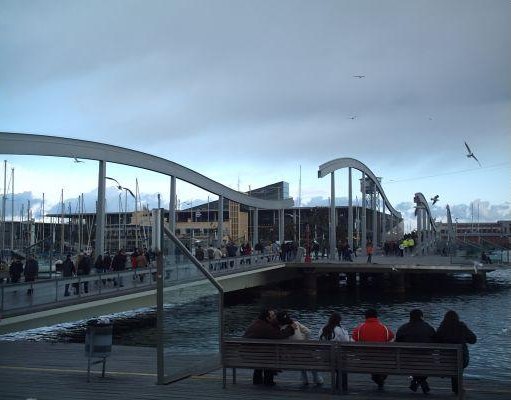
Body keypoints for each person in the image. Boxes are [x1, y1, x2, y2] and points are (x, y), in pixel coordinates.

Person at [244, 308, 295, 386]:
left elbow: (271, 329)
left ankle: (257, 380)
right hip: (253, 356)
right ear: (267, 318)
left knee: (264, 353)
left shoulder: (257, 323)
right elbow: (279, 335)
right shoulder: (265, 327)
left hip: (248, 353)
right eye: (273, 315)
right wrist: (291, 328)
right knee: (269, 354)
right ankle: (268, 381)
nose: (275, 316)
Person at [276, 310, 323, 387]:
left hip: (293, 356)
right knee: (309, 355)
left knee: (300, 355)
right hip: (305, 353)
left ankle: (304, 379)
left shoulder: (281, 331)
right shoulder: (296, 324)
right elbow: (308, 332)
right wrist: (305, 341)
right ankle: (316, 378)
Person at [435, 310, 477, 395]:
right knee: (457, 361)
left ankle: (456, 388)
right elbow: (473, 340)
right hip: (462, 361)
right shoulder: (462, 326)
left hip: (445, 361)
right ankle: (457, 389)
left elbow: (436, 341)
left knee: (452, 361)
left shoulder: (441, 328)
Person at [352, 308, 394, 390]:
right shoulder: (385, 328)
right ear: (377, 317)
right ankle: (379, 377)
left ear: (365, 317)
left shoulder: (359, 329)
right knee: (382, 359)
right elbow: (392, 341)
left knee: (372, 362)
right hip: (381, 359)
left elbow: (352, 342)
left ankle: (377, 377)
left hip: (364, 360)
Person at [396, 309, 436, 393]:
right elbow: (435, 342)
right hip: (427, 361)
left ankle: (417, 380)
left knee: (413, 360)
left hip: (407, 361)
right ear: (421, 317)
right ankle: (421, 380)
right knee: (423, 361)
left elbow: (397, 343)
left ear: (410, 317)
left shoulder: (403, 328)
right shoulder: (428, 328)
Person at [319, 312, 351, 391]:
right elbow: (346, 341)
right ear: (339, 321)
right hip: (337, 360)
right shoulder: (339, 330)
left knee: (339, 360)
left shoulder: (322, 329)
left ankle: (338, 386)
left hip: (326, 358)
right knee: (342, 365)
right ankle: (343, 387)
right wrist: (346, 332)